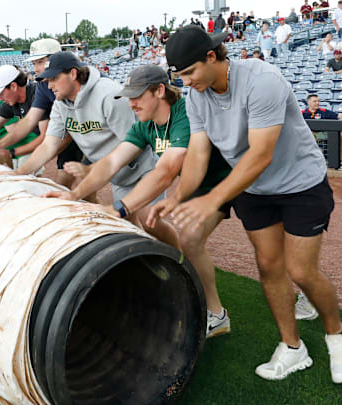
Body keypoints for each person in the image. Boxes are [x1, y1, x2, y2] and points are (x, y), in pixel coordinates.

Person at [163, 25, 342, 383]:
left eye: (190, 72)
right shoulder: (195, 97)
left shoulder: (262, 80)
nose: (186, 82)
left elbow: (260, 155)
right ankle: (292, 347)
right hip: (254, 191)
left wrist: (212, 199)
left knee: (301, 271)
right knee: (269, 268)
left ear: (212, 57)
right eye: (181, 76)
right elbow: (198, 154)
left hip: (301, 184)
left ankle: (337, 336)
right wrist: (176, 197)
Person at [46, 63, 234, 338]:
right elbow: (112, 161)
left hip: (239, 176)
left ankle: (305, 293)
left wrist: (119, 208)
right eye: (129, 96)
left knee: (279, 257)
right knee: (191, 238)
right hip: (204, 183)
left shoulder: (184, 114)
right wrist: (74, 194)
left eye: (137, 95)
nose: (131, 103)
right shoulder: (144, 124)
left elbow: (166, 172)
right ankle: (217, 315)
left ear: (160, 91)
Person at [5, 51, 159, 212]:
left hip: (141, 168)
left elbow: (132, 145)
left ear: (73, 73)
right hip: (115, 174)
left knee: (148, 220)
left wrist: (91, 172)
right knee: (131, 220)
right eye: (48, 80)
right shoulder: (60, 104)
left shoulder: (109, 95)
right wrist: (19, 173)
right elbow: (49, 145)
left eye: (54, 79)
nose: (50, 86)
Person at [0, 39, 85, 189]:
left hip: (91, 135)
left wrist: (11, 153)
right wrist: (1, 146)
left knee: (84, 185)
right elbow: (31, 121)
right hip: (75, 134)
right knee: (71, 187)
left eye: (40, 62)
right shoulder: (44, 85)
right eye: (34, 63)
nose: (36, 69)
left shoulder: (90, 87)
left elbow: (61, 135)